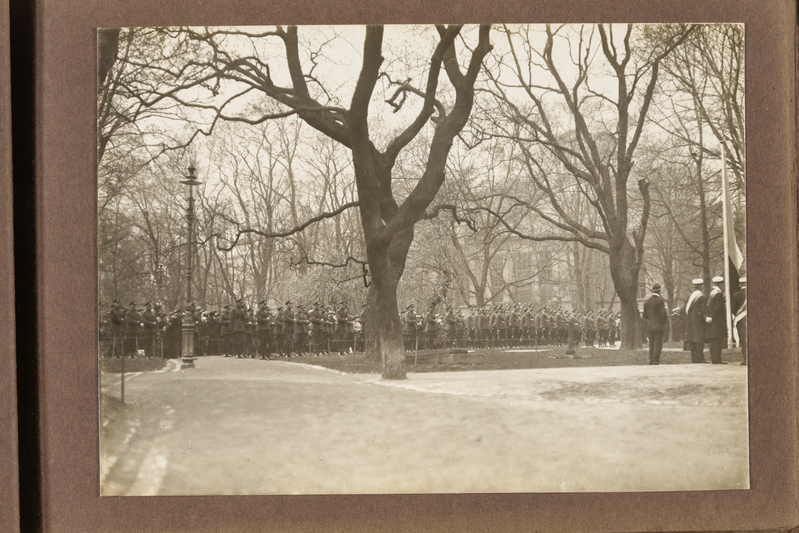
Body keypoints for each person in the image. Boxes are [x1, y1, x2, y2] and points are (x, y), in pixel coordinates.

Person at [683, 278, 708, 363]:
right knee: (699, 341)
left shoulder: (690, 297)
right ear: (701, 287)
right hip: (699, 322)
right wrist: (706, 317)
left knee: (693, 341)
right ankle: (700, 358)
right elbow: (704, 309)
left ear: (694, 287)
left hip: (690, 322)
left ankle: (694, 359)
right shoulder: (701, 297)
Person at [643, 283, 668, 365]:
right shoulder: (660, 301)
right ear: (659, 291)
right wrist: (664, 321)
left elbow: (645, 315)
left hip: (650, 326)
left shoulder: (647, 302)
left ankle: (650, 360)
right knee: (658, 343)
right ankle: (656, 360)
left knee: (651, 344)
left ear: (652, 290)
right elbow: (663, 314)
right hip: (659, 326)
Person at [705, 276, 728, 364]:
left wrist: (708, 317)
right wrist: (713, 317)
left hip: (710, 320)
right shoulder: (719, 294)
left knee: (712, 340)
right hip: (717, 320)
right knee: (718, 340)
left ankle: (713, 358)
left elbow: (706, 307)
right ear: (720, 284)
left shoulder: (710, 294)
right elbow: (718, 308)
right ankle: (717, 359)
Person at [731, 277, 747, 366]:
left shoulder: (736, 295)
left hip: (741, 320)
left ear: (740, 285)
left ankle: (746, 359)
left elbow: (733, 309)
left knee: (744, 340)